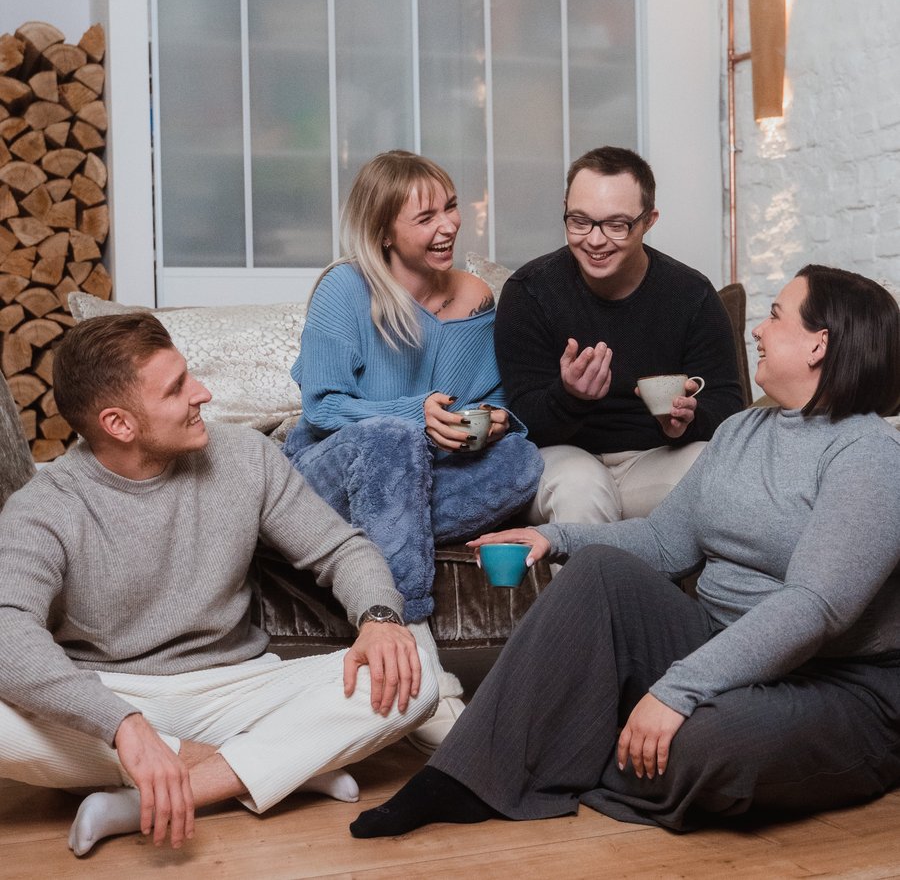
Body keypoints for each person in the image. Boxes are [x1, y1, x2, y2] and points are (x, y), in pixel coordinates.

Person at [350, 265, 900, 838]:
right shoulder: (743, 430)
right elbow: (665, 541)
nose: (759, 330)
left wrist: (676, 692)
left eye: (777, 316)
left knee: (703, 746)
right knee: (599, 571)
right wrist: (555, 538)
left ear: (819, 344)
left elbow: (813, 607)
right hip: (719, 645)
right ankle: (464, 777)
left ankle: (580, 749)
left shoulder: (869, 455)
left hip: (834, 683)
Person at [0, 313, 439, 857]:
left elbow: (339, 549)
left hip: (237, 688)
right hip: (108, 694)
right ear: (119, 424)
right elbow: (8, 630)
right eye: (176, 388)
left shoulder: (245, 456)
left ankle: (146, 799)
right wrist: (121, 724)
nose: (202, 393)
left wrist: (379, 618)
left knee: (417, 676)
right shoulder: (45, 507)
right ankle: (278, 764)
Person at [282, 150, 543, 751]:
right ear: (384, 232)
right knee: (394, 438)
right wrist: (412, 415)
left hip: (421, 475)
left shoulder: (476, 297)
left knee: (524, 461)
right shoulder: (345, 289)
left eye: (450, 208)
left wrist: (497, 420)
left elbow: (495, 397)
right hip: (329, 471)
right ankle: (417, 654)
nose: (447, 226)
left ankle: (384, 531)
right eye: (425, 218)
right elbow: (321, 406)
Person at [494, 146, 744, 526]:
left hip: (653, 459)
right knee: (582, 489)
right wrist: (570, 396)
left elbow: (728, 406)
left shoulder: (691, 295)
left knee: (718, 471)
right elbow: (521, 421)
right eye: (580, 221)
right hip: (562, 458)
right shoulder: (530, 291)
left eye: (616, 225)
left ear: (649, 221)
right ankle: (591, 569)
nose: (595, 241)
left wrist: (687, 420)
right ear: (565, 209)